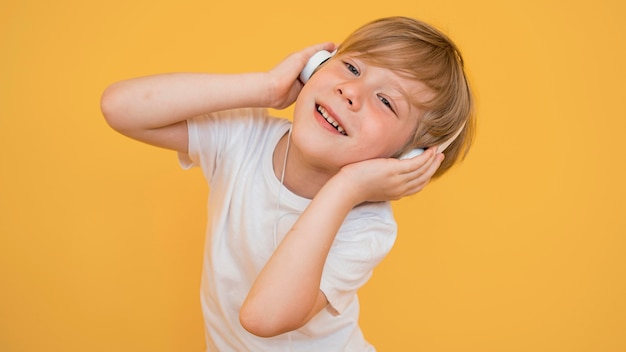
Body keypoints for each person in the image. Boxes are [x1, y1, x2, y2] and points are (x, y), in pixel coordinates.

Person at [101, 16, 474, 352]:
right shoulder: (243, 138)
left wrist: (347, 187)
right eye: (351, 67)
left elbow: (263, 317)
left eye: (386, 101)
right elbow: (119, 107)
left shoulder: (367, 226)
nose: (350, 91)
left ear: (409, 159)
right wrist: (265, 88)